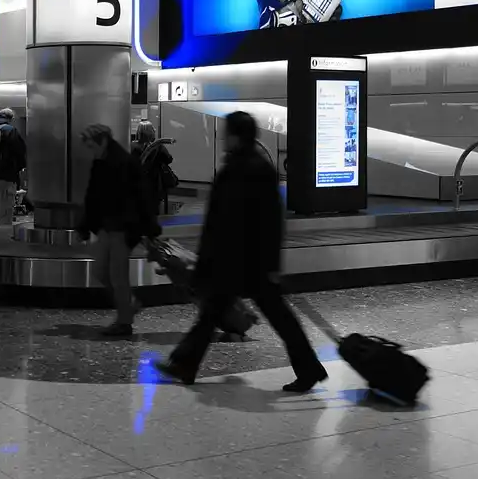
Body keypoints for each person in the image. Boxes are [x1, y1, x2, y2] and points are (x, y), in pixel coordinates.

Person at [157, 111, 326, 392]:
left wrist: (268, 265)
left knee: (267, 316)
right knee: (218, 313)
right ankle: (184, 364)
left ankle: (185, 364)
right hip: (243, 260)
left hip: (245, 261)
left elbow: (261, 222)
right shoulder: (249, 167)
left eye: (227, 133)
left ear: (236, 135)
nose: (223, 138)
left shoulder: (245, 169)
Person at [77, 125, 158, 337]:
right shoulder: (100, 162)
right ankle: (129, 304)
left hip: (123, 228)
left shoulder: (125, 162)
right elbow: (92, 196)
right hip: (106, 227)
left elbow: (142, 196)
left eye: (90, 144)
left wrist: (149, 228)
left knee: (117, 276)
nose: (88, 148)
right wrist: (86, 225)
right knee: (100, 271)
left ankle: (124, 322)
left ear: (102, 141)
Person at [0, 108, 26, 226]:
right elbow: (20, 152)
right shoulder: (10, 130)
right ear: (11, 119)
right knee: (5, 212)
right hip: (6, 177)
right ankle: (1, 241)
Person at [134, 121, 175, 215]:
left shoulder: (132, 145)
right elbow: (169, 159)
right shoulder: (158, 147)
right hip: (154, 182)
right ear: (150, 132)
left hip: (137, 181)